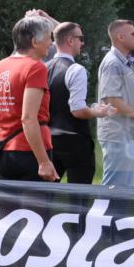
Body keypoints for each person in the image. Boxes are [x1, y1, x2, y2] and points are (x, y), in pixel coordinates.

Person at [0, 16, 58, 182]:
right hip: (30, 152)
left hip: (4, 151)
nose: (51, 43)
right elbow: (28, 118)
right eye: (49, 38)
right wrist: (44, 161)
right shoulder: (36, 67)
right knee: (36, 200)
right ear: (35, 41)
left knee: (7, 200)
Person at [46, 21, 113, 184]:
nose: (82, 43)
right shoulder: (76, 69)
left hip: (47, 139)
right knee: (79, 195)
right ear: (70, 41)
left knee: (45, 193)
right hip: (75, 141)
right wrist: (98, 112)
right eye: (80, 38)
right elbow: (77, 110)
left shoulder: (42, 68)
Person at [97, 19, 134, 187]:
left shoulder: (125, 62)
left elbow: (125, 94)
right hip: (118, 135)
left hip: (127, 133)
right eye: (133, 34)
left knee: (123, 189)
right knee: (114, 188)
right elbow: (110, 99)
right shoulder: (112, 63)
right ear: (120, 37)